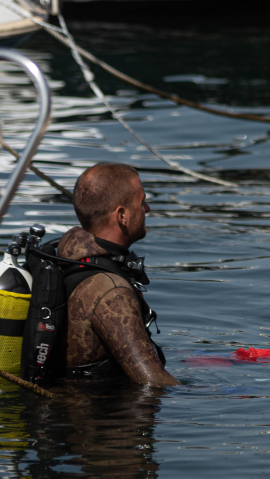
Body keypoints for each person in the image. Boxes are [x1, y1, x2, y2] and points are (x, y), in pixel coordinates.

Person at [58, 162, 179, 386]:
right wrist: (229, 393)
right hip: (97, 408)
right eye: (141, 202)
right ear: (122, 215)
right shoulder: (112, 292)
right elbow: (154, 383)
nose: (147, 209)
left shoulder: (67, 257)